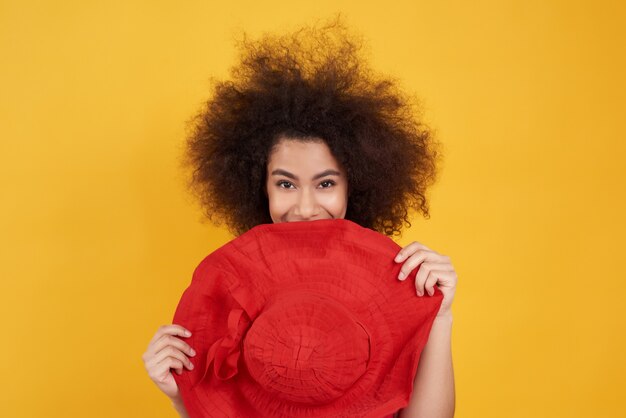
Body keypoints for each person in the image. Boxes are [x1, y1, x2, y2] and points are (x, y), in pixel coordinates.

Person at [142, 16, 457, 418]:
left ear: (355, 184)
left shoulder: (399, 281)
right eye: (286, 185)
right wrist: (181, 396)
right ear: (261, 187)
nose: (305, 208)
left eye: (325, 184)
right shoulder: (227, 289)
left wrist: (441, 316)